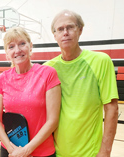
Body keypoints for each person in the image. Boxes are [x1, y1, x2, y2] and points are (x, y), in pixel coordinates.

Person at [44, 9, 119, 157]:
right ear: (55, 35)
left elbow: (111, 109)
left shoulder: (100, 61)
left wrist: (105, 151)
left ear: (80, 30)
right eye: (60, 29)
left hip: (90, 153)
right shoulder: (47, 69)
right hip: (55, 152)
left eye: (70, 27)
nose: (65, 32)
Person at [0, 27, 61, 157]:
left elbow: (53, 120)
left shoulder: (48, 74)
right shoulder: (2, 79)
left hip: (42, 152)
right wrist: (12, 150)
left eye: (22, 44)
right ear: (7, 52)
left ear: (30, 47)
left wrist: (26, 151)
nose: (17, 50)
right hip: (10, 150)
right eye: (11, 46)